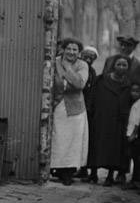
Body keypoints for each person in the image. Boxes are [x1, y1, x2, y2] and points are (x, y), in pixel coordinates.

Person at [49, 38, 89, 185]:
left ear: (79, 53)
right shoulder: (54, 61)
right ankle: (56, 169)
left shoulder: (82, 65)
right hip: (57, 105)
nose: (71, 52)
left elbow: (79, 83)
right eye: (69, 49)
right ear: (63, 49)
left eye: (75, 50)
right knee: (58, 138)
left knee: (73, 141)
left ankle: (68, 173)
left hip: (75, 108)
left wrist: (67, 67)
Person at [87, 54, 132, 186]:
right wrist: (92, 111)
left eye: (125, 65)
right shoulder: (102, 80)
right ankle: (93, 173)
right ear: (113, 65)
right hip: (101, 118)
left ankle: (110, 176)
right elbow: (92, 97)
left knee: (115, 147)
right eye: (119, 64)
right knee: (96, 144)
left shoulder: (128, 85)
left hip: (118, 121)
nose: (121, 67)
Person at [76, 46, 98, 181]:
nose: (88, 59)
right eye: (85, 56)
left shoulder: (93, 72)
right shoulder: (78, 68)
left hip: (88, 111)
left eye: (91, 58)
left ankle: (87, 170)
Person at [124, 82, 140, 191]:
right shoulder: (133, 103)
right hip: (131, 134)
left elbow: (137, 121)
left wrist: (134, 134)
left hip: (135, 136)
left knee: (137, 159)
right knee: (134, 158)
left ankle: (136, 181)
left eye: (137, 91)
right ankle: (134, 180)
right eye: (133, 91)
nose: (134, 93)